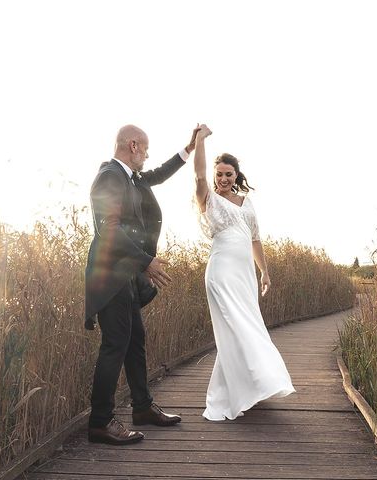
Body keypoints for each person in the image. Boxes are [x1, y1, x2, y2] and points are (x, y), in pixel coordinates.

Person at [84, 124, 197, 444]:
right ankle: (100, 421)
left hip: (125, 275)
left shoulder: (130, 178)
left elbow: (159, 174)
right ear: (133, 145)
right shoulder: (110, 176)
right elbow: (109, 229)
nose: (147, 156)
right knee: (115, 345)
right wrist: (145, 260)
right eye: (145, 149)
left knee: (135, 341)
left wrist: (188, 149)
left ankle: (143, 407)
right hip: (111, 276)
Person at [193, 124, 295, 421]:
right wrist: (200, 141)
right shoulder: (207, 198)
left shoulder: (247, 204)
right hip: (221, 272)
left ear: (236, 175)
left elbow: (255, 239)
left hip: (245, 275)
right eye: (219, 174)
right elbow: (199, 174)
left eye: (229, 174)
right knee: (236, 327)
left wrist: (264, 272)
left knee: (247, 327)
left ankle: (248, 388)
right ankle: (252, 386)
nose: (223, 179)